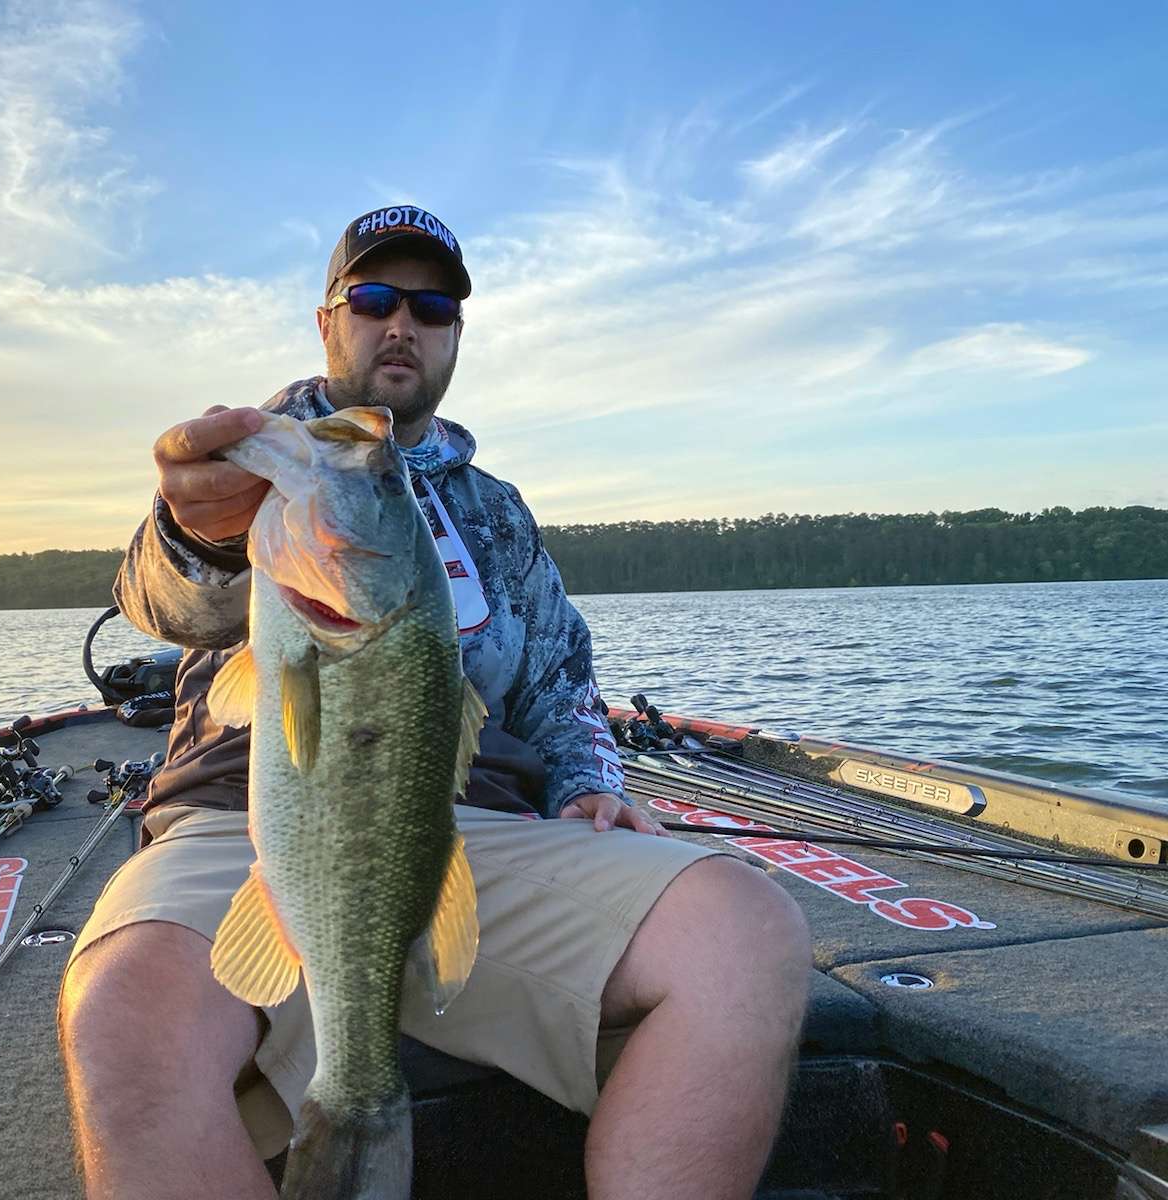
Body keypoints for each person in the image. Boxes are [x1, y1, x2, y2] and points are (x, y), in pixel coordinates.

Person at [59, 205, 811, 1200]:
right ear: (328, 322)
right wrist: (194, 535)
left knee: (745, 931)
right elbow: (165, 601)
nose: (401, 325)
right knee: (124, 1016)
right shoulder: (257, 462)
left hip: (457, 831)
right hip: (241, 819)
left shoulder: (495, 510)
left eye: (432, 307)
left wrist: (588, 780)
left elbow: (558, 677)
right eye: (373, 299)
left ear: (456, 333)